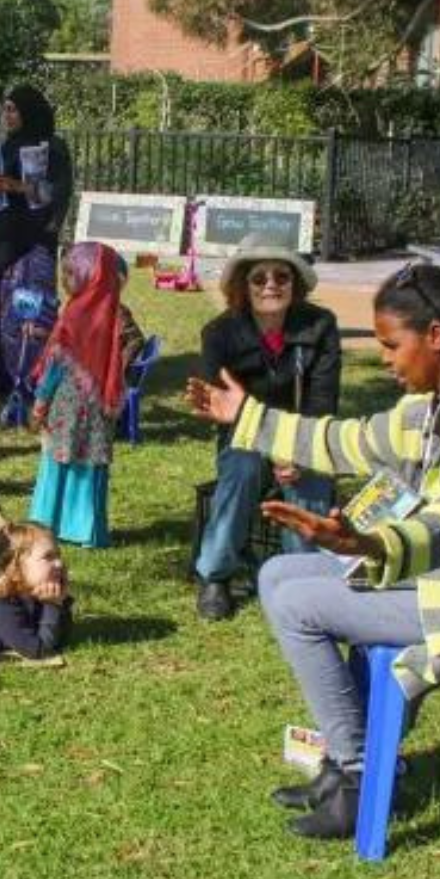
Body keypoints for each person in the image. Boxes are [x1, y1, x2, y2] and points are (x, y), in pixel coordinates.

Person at [185, 261, 440, 840]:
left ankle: (361, 772)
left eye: (392, 344)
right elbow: (345, 440)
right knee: (280, 573)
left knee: (297, 605)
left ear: (436, 338)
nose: (383, 357)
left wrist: (369, 544)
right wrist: (248, 417)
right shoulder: (438, 404)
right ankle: (355, 757)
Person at [193, 235, 342, 621]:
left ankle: (304, 579)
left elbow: (323, 400)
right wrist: (266, 439)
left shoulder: (320, 327)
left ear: (295, 284)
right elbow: (219, 402)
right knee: (241, 470)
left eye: (281, 276)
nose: (271, 285)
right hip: (244, 434)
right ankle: (216, 576)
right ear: (244, 286)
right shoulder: (218, 334)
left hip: (303, 433)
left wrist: (298, 450)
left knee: (307, 477)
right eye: (259, 278)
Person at [27, 243, 147, 548]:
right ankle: (87, 531)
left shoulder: (76, 313)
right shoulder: (114, 309)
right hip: (98, 408)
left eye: (71, 273)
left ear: (89, 276)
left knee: (58, 460)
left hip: (65, 406)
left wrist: (40, 405)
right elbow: (131, 343)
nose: (65, 280)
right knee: (90, 463)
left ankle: (48, 522)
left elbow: (55, 365)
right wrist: (115, 372)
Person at [0, 86, 72, 398]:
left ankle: (32, 378)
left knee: (30, 312)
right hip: (1, 243)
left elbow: (57, 193)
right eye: (5, 109)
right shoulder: (2, 148)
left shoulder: (52, 149)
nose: (7, 115)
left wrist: (18, 187)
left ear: (30, 112)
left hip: (34, 244)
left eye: (13, 109)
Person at [0, 522, 73, 661]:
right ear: (15, 568)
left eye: (58, 555)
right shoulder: (2, 604)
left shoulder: (36, 591)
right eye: (48, 557)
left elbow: (60, 638)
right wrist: (53, 606)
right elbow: (39, 650)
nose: (59, 563)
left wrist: (61, 601)